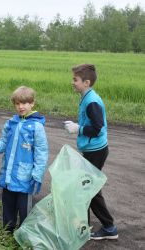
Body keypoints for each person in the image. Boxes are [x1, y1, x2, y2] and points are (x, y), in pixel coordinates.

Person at [64, 64, 118, 240]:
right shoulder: (86, 96)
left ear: (86, 82)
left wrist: (78, 128)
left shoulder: (91, 101)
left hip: (96, 151)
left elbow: (97, 128)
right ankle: (85, 226)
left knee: (89, 189)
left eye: (75, 80)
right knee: (87, 187)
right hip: (92, 149)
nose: (73, 82)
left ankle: (108, 227)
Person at [0, 86, 49, 233]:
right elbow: (4, 141)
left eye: (25, 103)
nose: (21, 107)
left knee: (24, 210)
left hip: (25, 177)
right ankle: (7, 232)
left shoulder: (37, 127)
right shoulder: (10, 123)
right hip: (8, 176)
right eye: (17, 103)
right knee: (8, 205)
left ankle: (24, 235)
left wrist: (37, 174)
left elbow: (42, 152)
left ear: (32, 103)